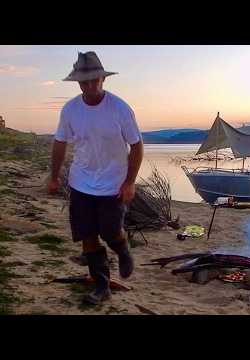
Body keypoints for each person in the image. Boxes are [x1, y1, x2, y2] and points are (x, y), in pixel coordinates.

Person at [48, 51, 144, 305]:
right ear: (78, 82)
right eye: (85, 81)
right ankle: (101, 286)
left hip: (114, 183)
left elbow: (136, 146)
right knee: (87, 235)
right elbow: (59, 143)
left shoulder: (120, 109)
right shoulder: (70, 110)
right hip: (80, 182)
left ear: (103, 79)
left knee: (111, 231)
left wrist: (130, 181)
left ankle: (123, 251)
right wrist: (54, 176)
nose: (90, 85)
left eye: (95, 80)